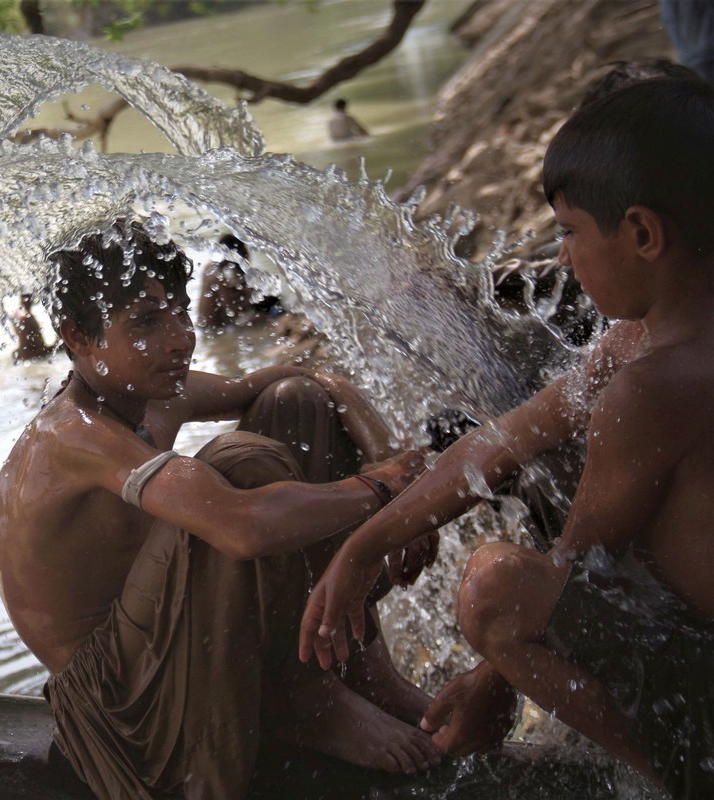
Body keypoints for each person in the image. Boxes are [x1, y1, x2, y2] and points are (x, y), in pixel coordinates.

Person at [301, 78, 714, 798]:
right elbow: (492, 445)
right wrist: (363, 546)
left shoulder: (655, 387)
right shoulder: (639, 344)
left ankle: (681, 783)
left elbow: (579, 567)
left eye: (570, 230)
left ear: (644, 234)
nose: (563, 258)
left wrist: (494, 679)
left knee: (496, 587)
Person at [0, 221, 440, 799]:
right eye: (148, 323)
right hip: (121, 708)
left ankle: (365, 674)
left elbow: (302, 379)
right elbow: (242, 526)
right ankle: (307, 700)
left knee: (294, 406)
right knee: (236, 467)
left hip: (171, 648)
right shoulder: (73, 436)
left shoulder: (147, 396)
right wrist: (383, 487)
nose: (180, 338)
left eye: (180, 312)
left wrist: (383, 454)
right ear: (78, 335)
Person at [196, 234, 282, 330]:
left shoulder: (212, 267)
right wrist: (252, 299)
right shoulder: (215, 275)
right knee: (263, 320)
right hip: (212, 329)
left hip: (209, 325)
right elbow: (233, 311)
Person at [13, 292, 52, 362]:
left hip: (31, 354)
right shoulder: (25, 318)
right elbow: (25, 350)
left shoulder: (18, 314)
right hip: (33, 355)